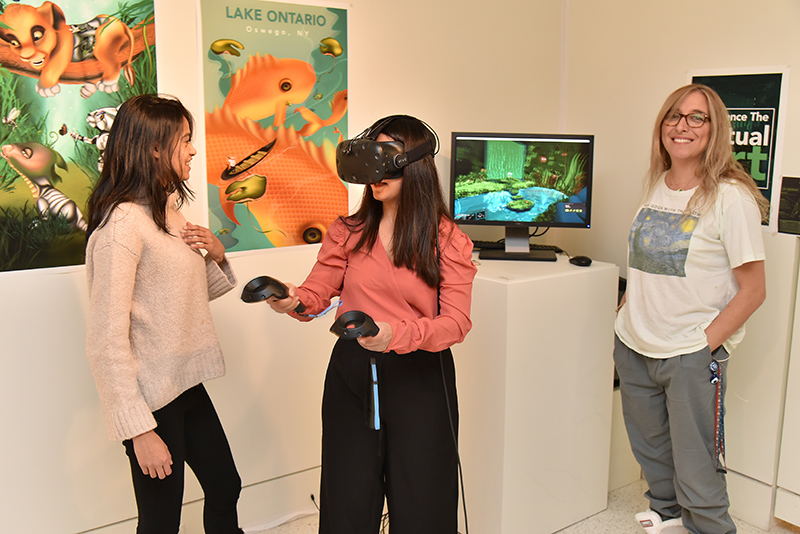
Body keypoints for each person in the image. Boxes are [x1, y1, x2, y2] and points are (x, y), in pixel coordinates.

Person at [267, 115, 477, 534]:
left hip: (420, 378)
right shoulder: (347, 231)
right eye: (368, 161)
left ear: (413, 164)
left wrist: (392, 335)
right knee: (348, 499)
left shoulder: (446, 238)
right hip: (353, 375)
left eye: (384, 161)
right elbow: (316, 293)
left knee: (423, 502)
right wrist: (291, 299)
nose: (373, 176)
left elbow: (455, 323)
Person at [84, 94, 244, 534]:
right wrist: (138, 430)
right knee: (160, 521)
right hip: (151, 401)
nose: (193, 150)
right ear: (154, 148)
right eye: (186, 140)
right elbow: (105, 341)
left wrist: (216, 255)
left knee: (226, 486)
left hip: (185, 386)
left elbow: (178, 300)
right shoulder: (121, 227)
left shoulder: (167, 211)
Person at [614, 84, 769, 534]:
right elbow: (648, 264)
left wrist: (703, 346)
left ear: (714, 128)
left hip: (688, 354)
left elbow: (754, 290)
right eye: (674, 116)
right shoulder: (658, 183)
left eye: (696, 118)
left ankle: (709, 527)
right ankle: (667, 515)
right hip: (636, 345)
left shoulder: (730, 198)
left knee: (697, 465)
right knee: (652, 453)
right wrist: (628, 312)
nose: (682, 126)